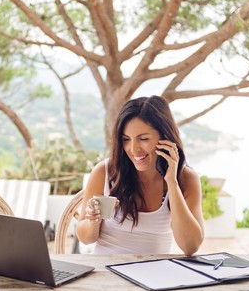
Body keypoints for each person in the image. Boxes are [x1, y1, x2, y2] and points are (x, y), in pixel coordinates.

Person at [76, 95, 204, 256]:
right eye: (126, 139)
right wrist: (92, 222)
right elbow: (85, 238)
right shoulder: (105, 171)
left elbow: (190, 246)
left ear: (165, 138)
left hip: (155, 274)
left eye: (143, 139)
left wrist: (172, 182)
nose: (133, 149)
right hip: (106, 270)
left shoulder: (186, 179)